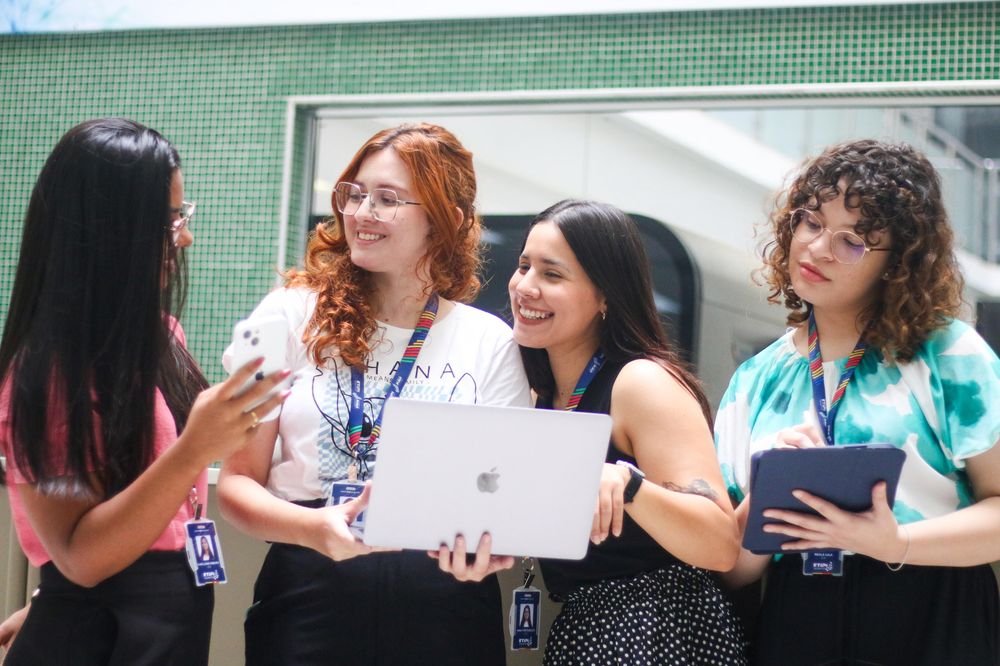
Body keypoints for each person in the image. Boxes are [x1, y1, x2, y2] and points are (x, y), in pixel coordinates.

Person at [217, 122, 531, 666]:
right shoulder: (289, 316)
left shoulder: (490, 341)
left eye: (387, 200)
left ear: (445, 221)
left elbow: (503, 505)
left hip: (447, 599)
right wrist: (313, 529)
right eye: (354, 194)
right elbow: (237, 484)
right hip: (310, 587)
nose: (362, 212)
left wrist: (489, 551)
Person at [0, 118, 288, 665]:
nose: (184, 236)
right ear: (111, 230)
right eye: (170, 220)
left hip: (170, 608)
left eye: (184, 215)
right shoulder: (46, 370)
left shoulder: (160, 334)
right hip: (99, 630)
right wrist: (195, 449)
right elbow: (80, 557)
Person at [715, 139, 1000, 665]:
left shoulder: (949, 354)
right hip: (797, 610)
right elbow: (732, 568)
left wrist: (896, 543)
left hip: (931, 604)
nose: (818, 248)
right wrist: (767, 493)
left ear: (899, 263)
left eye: (853, 241)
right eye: (811, 222)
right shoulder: (757, 377)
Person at [505, 200, 746, 665]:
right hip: (580, 628)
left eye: (552, 275)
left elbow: (720, 544)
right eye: (523, 266)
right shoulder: (537, 395)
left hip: (658, 630)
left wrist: (629, 483)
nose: (525, 287)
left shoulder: (640, 382)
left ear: (605, 297)